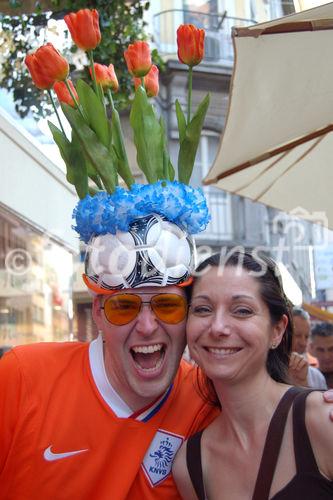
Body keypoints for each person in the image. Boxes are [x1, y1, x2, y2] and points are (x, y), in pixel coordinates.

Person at [173, 252, 333, 499]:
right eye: (203, 309)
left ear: (277, 331)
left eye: (242, 311)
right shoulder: (190, 464)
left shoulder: (323, 423)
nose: (218, 327)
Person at [289, 307, 327, 389]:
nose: (303, 343)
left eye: (306, 337)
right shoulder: (264, 373)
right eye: (297, 335)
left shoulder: (317, 377)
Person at [310, 322, 333, 388]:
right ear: (311, 348)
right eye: (320, 350)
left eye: (331, 349)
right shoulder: (307, 376)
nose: (327, 356)